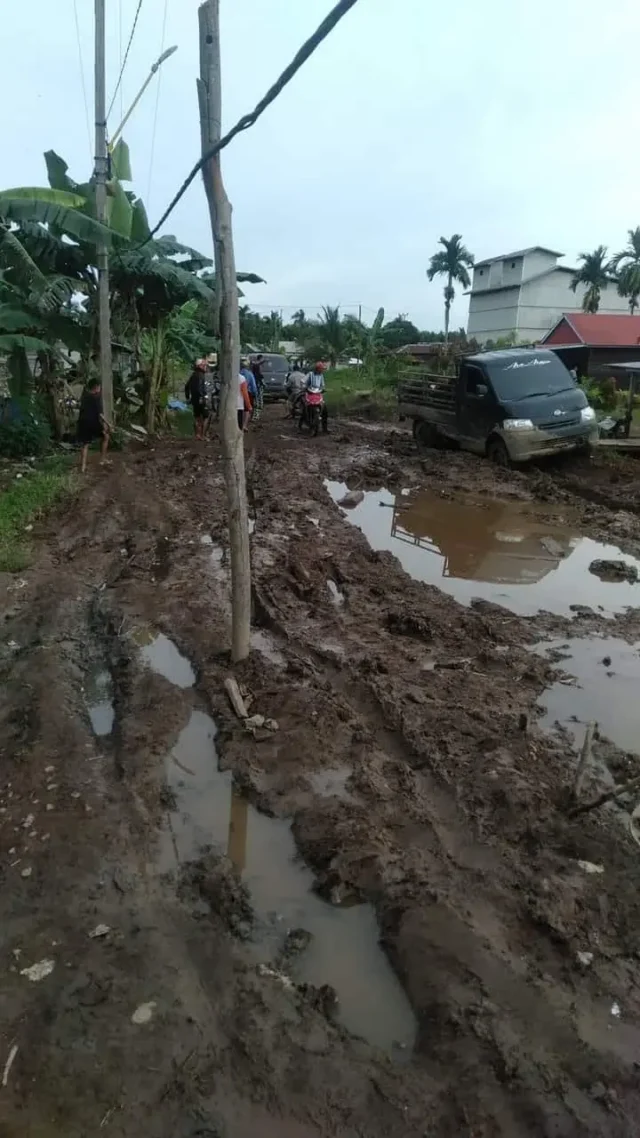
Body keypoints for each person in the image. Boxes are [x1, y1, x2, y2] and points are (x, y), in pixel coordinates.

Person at [77, 379, 111, 473]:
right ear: (96, 387)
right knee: (106, 436)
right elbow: (100, 415)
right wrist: (108, 424)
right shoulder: (96, 398)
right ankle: (102, 459)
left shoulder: (84, 397)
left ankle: (83, 467)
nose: (100, 389)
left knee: (85, 444)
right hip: (93, 423)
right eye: (99, 387)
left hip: (82, 423)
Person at [184, 358, 208, 440]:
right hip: (200, 399)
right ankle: (203, 435)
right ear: (200, 366)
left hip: (194, 399)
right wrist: (202, 397)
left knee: (197, 417)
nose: (205, 367)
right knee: (205, 417)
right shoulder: (201, 375)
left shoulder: (193, 375)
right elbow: (199, 388)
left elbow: (186, 387)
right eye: (204, 365)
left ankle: (197, 434)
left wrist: (188, 398)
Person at [303, 361, 329, 432]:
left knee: (325, 410)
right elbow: (303, 381)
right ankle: (304, 419)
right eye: (321, 369)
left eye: (322, 369)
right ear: (317, 369)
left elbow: (322, 385)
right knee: (305, 406)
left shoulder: (321, 375)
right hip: (309, 393)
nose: (322, 370)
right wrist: (305, 387)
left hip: (317, 393)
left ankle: (325, 428)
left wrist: (323, 389)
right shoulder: (310, 374)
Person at [240, 356, 257, 424]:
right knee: (247, 410)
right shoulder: (250, 374)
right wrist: (254, 394)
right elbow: (253, 387)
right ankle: (244, 425)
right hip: (247, 393)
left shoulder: (237, 373)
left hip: (237, 393)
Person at [251, 354, 265, 422]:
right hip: (258, 387)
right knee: (257, 403)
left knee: (257, 402)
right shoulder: (257, 368)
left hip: (258, 387)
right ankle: (255, 416)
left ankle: (256, 416)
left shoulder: (255, 374)